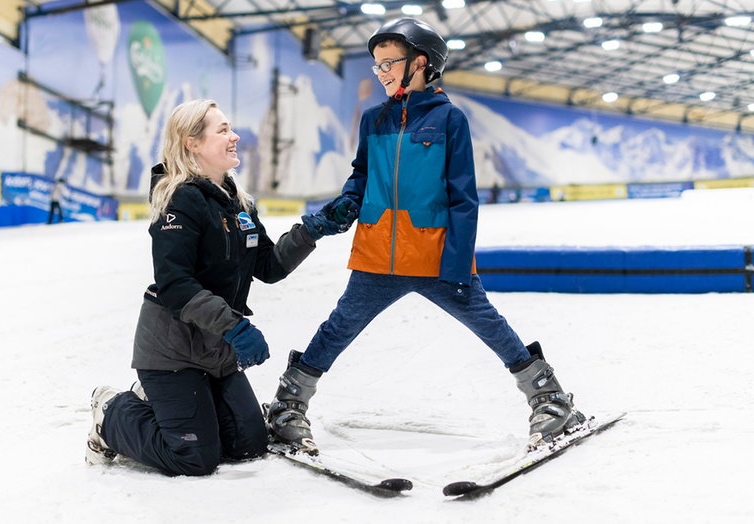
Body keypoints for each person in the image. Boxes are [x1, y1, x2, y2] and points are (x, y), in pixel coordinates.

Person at [264, 18, 586, 454]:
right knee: (337, 328)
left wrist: (455, 265)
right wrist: (322, 223)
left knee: (489, 326)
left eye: (388, 64)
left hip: (436, 257)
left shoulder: (450, 120)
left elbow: (463, 200)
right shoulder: (373, 120)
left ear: (421, 63)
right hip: (377, 256)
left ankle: (549, 401)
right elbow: (359, 184)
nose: (380, 73)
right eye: (376, 66)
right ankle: (288, 405)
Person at [85, 99, 354, 476]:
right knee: (194, 457)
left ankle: (174, 404)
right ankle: (111, 411)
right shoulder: (179, 200)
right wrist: (235, 326)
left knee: (249, 445)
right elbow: (175, 285)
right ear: (192, 143)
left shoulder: (237, 202)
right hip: (173, 351)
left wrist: (313, 229)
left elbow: (269, 266)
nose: (235, 136)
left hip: (216, 351)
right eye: (223, 130)